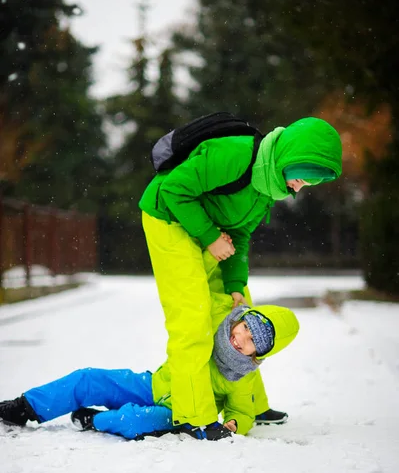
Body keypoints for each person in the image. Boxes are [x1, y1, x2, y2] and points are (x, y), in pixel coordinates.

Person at [139, 116, 342, 437]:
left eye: (309, 185)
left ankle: (252, 403)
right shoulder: (234, 155)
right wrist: (209, 236)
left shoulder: (267, 187)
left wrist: (234, 286)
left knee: (243, 311)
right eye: (303, 179)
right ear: (289, 159)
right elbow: (173, 189)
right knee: (192, 318)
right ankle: (195, 415)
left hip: (208, 227)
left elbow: (241, 235)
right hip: (169, 217)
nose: (300, 189)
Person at [0, 303, 299, 441]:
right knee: (89, 377)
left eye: (250, 343)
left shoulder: (240, 376)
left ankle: (94, 419)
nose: (240, 338)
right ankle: (27, 407)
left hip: (176, 412)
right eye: (245, 328)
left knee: (132, 420)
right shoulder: (208, 331)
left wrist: (234, 423)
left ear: (257, 355)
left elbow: (243, 411)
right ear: (241, 319)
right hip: (150, 384)